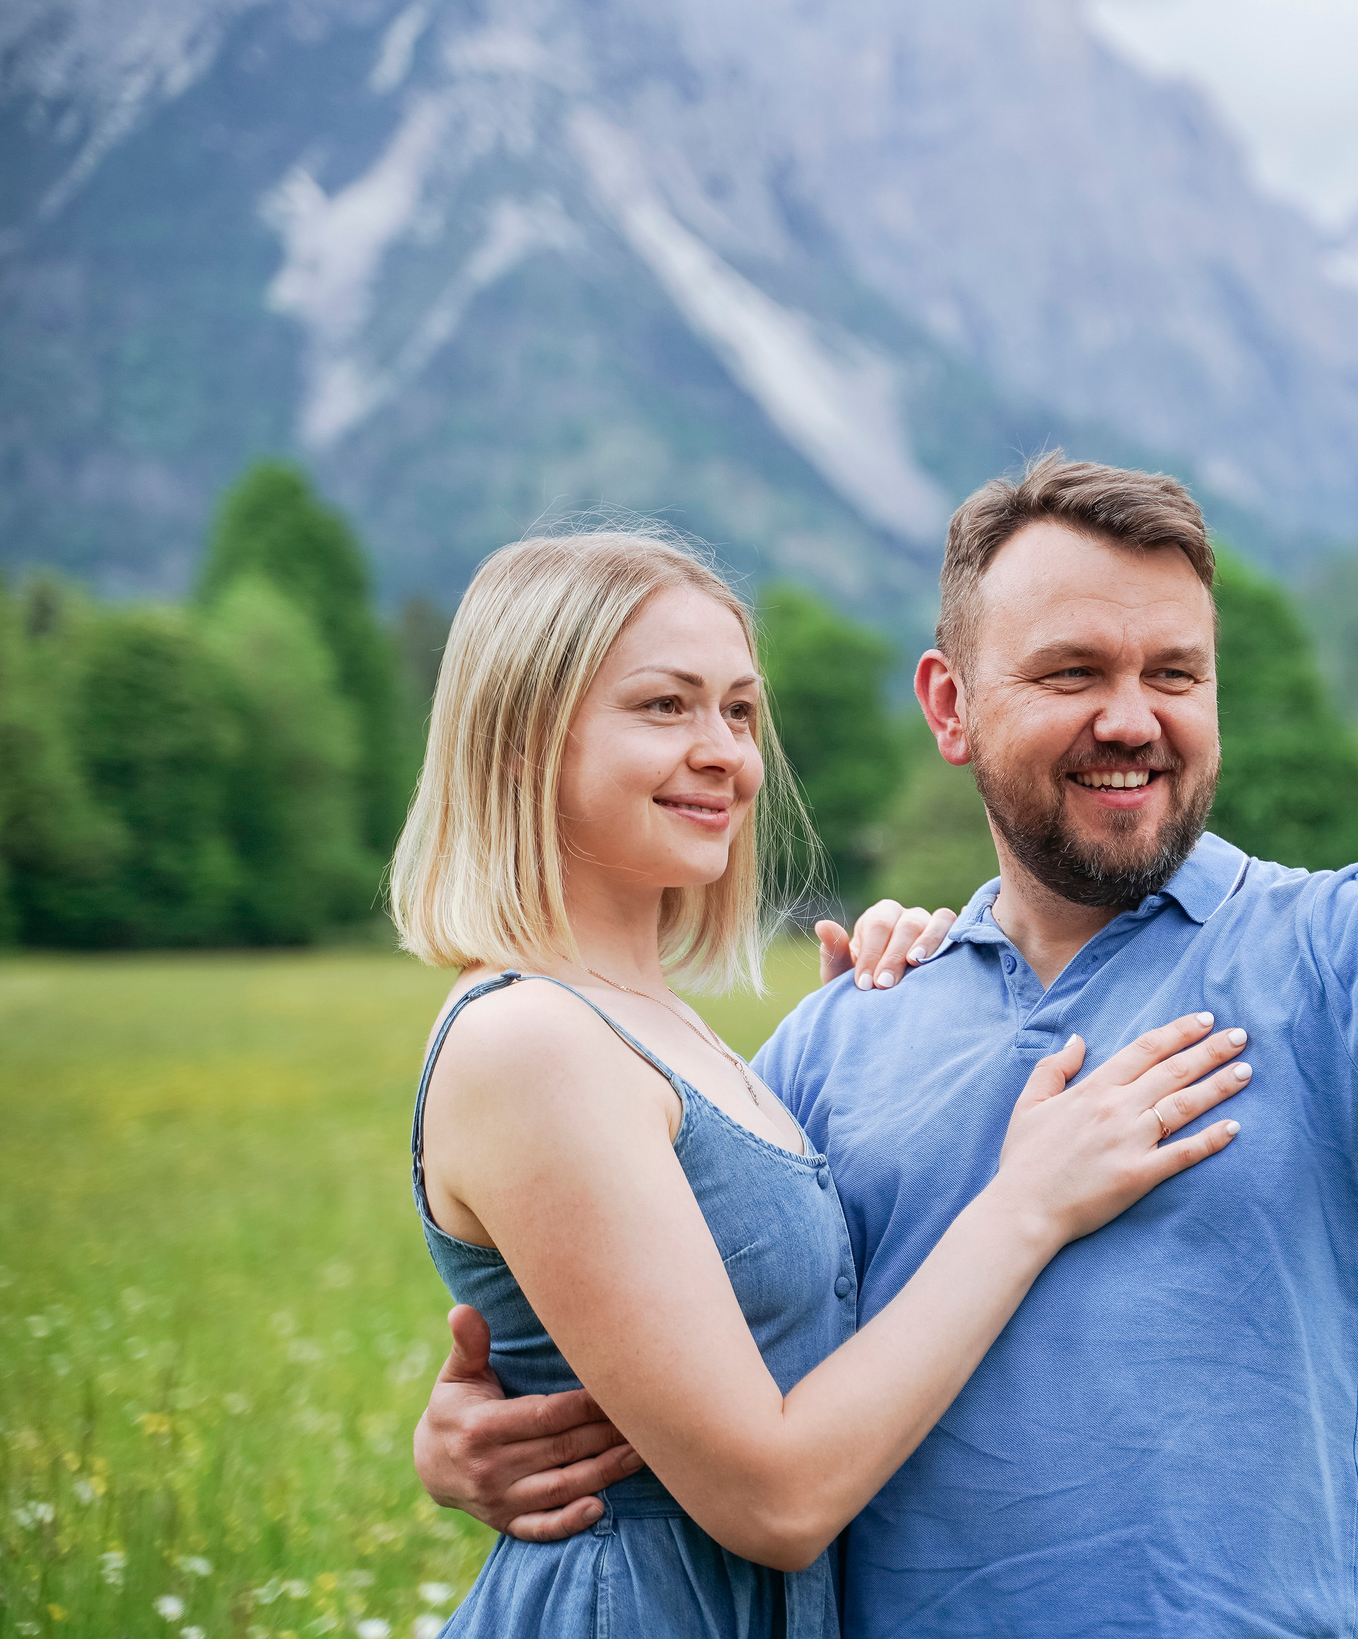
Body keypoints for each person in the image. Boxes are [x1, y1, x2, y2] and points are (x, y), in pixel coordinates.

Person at [417, 457, 1358, 1637]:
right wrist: (487, 1428)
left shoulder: (1337, 952)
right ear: (951, 705)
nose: (1134, 718)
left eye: (1175, 674)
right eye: (1071, 672)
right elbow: (707, 1342)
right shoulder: (840, 1027)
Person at [391, 527, 1251, 1636]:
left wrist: (925, 975)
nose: (724, 754)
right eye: (665, 706)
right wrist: (1030, 1203)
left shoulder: (659, 1029)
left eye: (740, 711)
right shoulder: (532, 1041)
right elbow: (777, 1495)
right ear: (518, 742)